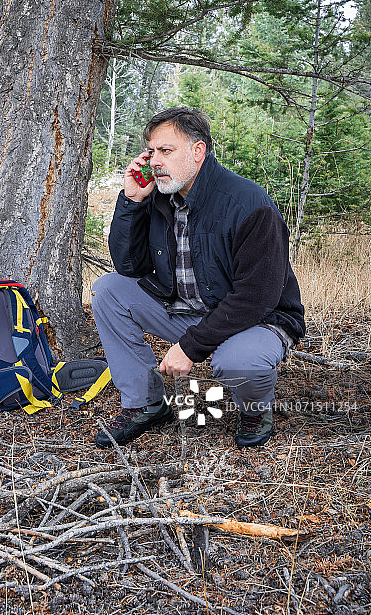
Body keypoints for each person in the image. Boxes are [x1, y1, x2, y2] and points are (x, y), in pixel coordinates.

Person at [92, 106, 305, 449]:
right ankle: (145, 404)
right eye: (151, 151)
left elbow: (256, 297)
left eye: (165, 151)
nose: (154, 161)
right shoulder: (160, 198)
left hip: (256, 320)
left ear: (198, 150)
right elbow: (128, 267)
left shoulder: (248, 203)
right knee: (108, 291)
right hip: (189, 310)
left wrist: (190, 347)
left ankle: (254, 409)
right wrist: (132, 200)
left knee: (236, 361)